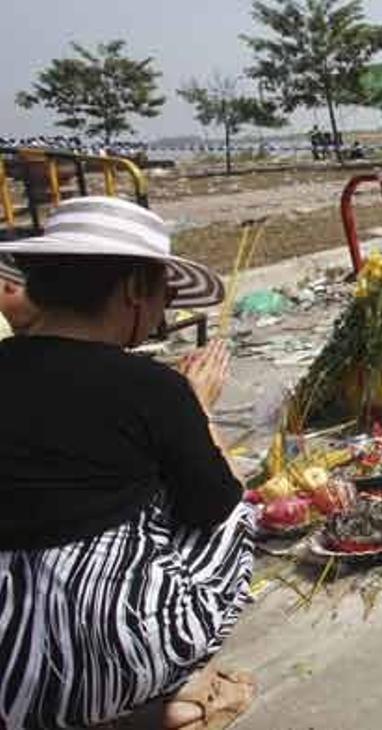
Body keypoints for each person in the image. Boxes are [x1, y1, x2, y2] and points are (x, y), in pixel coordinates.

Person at [0, 197, 256, 730]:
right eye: (166, 294)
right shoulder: (152, 388)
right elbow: (215, 504)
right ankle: (160, 688)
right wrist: (199, 408)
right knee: (236, 513)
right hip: (102, 669)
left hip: (6, 677)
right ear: (135, 289)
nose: (164, 311)